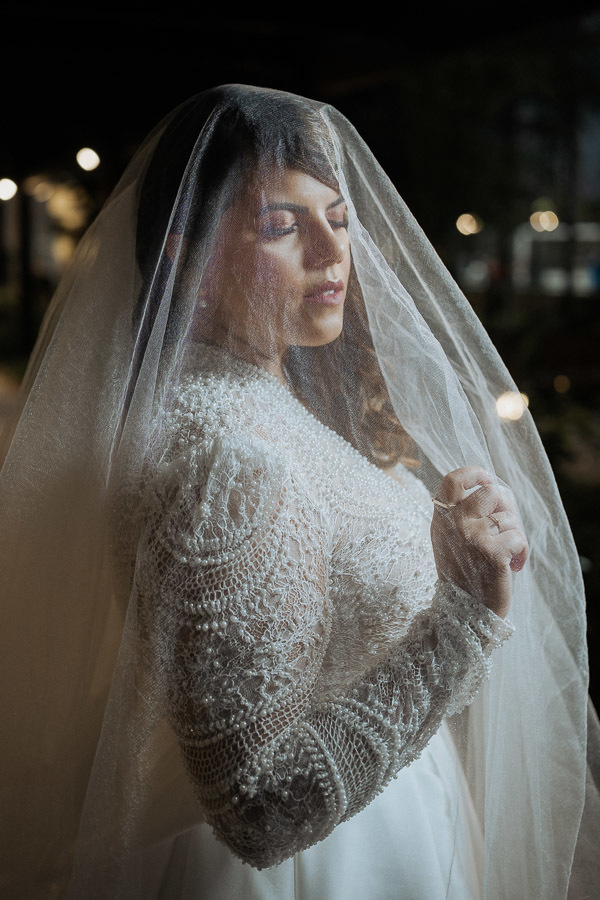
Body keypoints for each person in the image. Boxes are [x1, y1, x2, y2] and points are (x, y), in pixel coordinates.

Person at [0, 85, 597, 899]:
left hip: (382, 816)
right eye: (281, 225)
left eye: (339, 220)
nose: (331, 251)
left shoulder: (254, 403)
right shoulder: (231, 467)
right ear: (188, 261)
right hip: (321, 866)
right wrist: (464, 611)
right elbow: (258, 809)